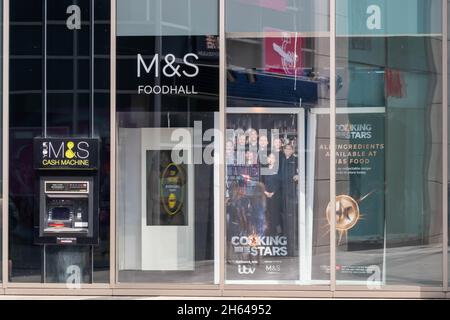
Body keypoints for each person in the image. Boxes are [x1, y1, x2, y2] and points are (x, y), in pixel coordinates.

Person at [280, 143, 299, 256]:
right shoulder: (281, 160)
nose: (287, 150)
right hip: (281, 194)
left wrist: (299, 176)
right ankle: (283, 246)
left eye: (289, 149)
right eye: (285, 149)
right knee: (283, 219)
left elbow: (304, 172)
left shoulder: (296, 160)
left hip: (291, 194)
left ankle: (291, 248)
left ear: (292, 150)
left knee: (291, 220)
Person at [262, 153, 282, 235]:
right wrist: (265, 192)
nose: (270, 159)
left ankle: (277, 230)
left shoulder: (278, 169)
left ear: (275, 160)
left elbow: (279, 183)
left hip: (275, 195)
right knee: (267, 213)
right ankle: (268, 230)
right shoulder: (264, 169)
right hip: (265, 194)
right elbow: (261, 182)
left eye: (272, 157)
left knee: (275, 213)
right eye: (269, 157)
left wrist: (273, 193)